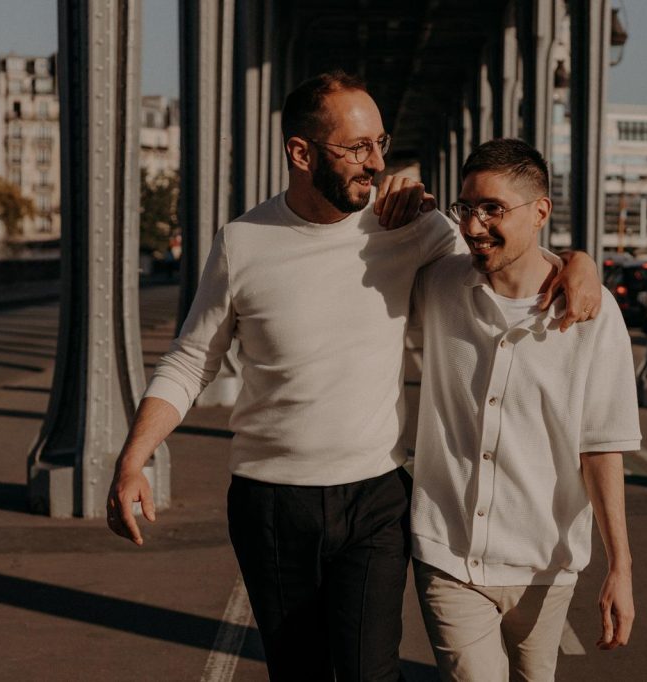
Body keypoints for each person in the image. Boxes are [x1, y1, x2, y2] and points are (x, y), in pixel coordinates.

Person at [105, 71, 602, 681]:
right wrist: (135, 459)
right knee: (299, 672)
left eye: (380, 143)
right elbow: (191, 358)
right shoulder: (242, 243)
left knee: (372, 672)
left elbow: (505, 254)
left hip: (375, 497)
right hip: (271, 500)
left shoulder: (413, 229)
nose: (377, 163)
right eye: (357, 147)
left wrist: (580, 262)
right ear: (300, 152)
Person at [410, 138, 640, 682]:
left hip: (545, 560)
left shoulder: (592, 313)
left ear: (540, 212)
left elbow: (601, 447)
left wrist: (620, 567)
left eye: (493, 209)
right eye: (467, 208)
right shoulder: (440, 286)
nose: (473, 226)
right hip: (449, 551)